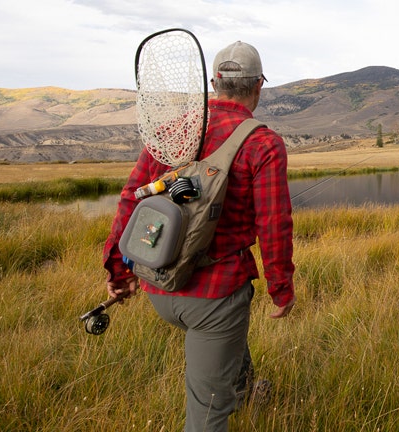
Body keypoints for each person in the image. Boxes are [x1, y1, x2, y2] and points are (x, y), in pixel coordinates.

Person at [102, 40, 296, 431]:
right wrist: (281, 287)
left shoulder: (175, 130)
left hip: (159, 285)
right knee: (207, 415)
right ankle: (229, 397)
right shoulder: (263, 143)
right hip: (214, 298)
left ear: (214, 83)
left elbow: (131, 198)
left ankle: (246, 393)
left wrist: (118, 270)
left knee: (228, 339)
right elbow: (274, 223)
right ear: (258, 85)